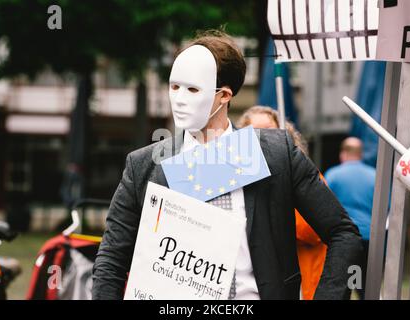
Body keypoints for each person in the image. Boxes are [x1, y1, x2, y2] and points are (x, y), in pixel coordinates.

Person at [92, 30, 362, 300]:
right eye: (174, 87)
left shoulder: (277, 154)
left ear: (224, 96)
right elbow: (111, 260)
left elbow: (342, 232)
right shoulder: (144, 166)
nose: (180, 99)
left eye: (193, 89)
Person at [238, 106, 327, 300]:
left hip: (301, 281)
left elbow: (314, 230)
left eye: (269, 130)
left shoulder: (304, 175)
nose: (263, 138)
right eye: (255, 133)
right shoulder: (238, 183)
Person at [324, 137, 376, 300]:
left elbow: (323, 206)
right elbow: (387, 207)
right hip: (369, 237)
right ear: (361, 154)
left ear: (343, 153)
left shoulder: (332, 175)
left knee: (342, 286)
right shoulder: (375, 176)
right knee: (365, 285)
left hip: (343, 239)